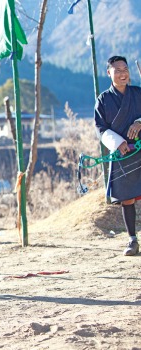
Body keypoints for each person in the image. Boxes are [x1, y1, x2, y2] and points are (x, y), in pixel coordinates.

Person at [95, 55, 141, 257]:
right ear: (109, 73)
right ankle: (132, 240)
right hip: (122, 153)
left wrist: (140, 122)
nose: (123, 73)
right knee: (127, 199)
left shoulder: (138, 93)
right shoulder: (103, 100)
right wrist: (118, 143)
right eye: (118, 70)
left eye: (125, 69)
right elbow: (100, 127)